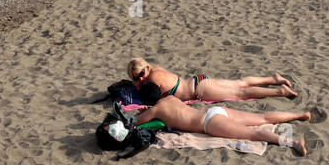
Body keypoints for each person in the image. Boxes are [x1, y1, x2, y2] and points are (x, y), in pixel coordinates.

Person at [100, 95, 312, 156]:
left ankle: (293, 142)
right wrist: (148, 109)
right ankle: (301, 114)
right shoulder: (169, 100)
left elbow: (132, 124)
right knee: (263, 118)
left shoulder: (156, 111)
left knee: (253, 134)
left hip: (209, 123)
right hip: (215, 111)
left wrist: (142, 114)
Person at [126, 59, 299, 103]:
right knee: (239, 83)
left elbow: (151, 100)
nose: (141, 78)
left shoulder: (152, 78)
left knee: (241, 93)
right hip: (198, 81)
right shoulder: (156, 69)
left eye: (141, 73)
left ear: (146, 67)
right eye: (136, 77)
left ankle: (279, 91)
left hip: (198, 90)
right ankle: (272, 79)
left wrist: (138, 85)